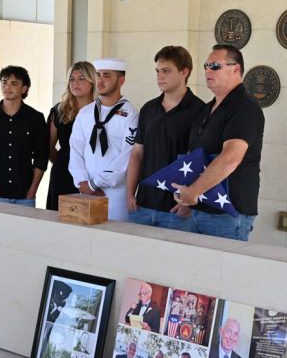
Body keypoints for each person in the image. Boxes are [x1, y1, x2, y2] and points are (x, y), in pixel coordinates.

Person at [172, 44, 265, 241]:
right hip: (199, 209)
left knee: (226, 272)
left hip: (228, 214)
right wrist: (187, 199)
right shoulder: (207, 109)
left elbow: (231, 158)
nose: (207, 71)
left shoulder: (245, 108)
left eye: (215, 66)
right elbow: (197, 158)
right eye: (205, 66)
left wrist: (193, 192)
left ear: (236, 69)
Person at [127, 45, 205, 230]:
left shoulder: (200, 110)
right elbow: (137, 153)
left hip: (176, 209)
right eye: (158, 71)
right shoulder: (148, 109)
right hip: (142, 205)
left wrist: (189, 203)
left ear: (184, 72)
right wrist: (130, 193)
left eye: (166, 71)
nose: (160, 76)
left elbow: (202, 161)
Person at [69, 58, 139, 221]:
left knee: (113, 240)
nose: (100, 80)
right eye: (98, 75)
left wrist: (95, 184)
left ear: (121, 80)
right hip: (85, 189)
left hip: (116, 192)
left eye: (106, 76)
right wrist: (83, 182)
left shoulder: (131, 114)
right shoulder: (85, 113)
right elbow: (75, 150)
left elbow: (127, 156)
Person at [0, 65, 49, 207]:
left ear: (24, 88)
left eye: (14, 83)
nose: (7, 87)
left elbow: (41, 157)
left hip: (24, 196)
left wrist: (32, 191)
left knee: (24, 230)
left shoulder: (36, 118)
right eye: (4, 82)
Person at [46, 61, 97, 210]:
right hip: (63, 171)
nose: (75, 83)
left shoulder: (102, 111)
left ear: (92, 81)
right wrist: (63, 162)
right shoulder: (59, 110)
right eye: (72, 79)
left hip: (93, 175)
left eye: (82, 78)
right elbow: (48, 146)